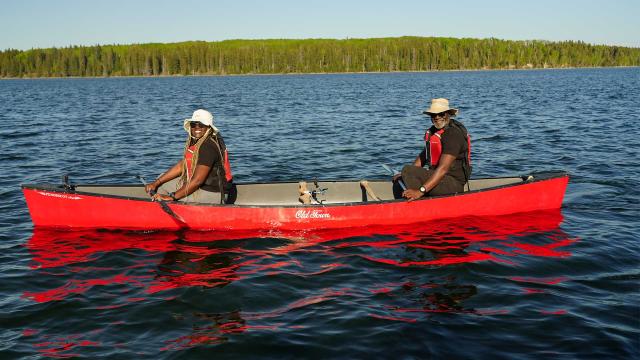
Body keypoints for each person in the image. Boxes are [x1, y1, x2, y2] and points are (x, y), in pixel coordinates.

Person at [145, 109, 234, 204]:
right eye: (193, 124)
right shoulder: (199, 139)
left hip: (212, 194)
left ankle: (164, 213)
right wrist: (156, 182)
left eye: (201, 125)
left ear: (208, 127)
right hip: (202, 187)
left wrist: (172, 196)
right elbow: (182, 165)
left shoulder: (208, 146)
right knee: (161, 181)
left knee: (161, 191)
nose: (197, 128)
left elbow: (197, 181)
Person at [399, 98, 471, 201]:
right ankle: (408, 201)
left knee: (408, 171)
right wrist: (403, 176)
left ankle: (419, 203)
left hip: (453, 183)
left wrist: (420, 191)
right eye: (433, 115)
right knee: (405, 173)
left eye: (441, 114)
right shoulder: (434, 133)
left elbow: (443, 169)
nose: (437, 117)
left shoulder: (453, 134)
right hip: (439, 179)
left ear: (448, 114)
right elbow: (422, 158)